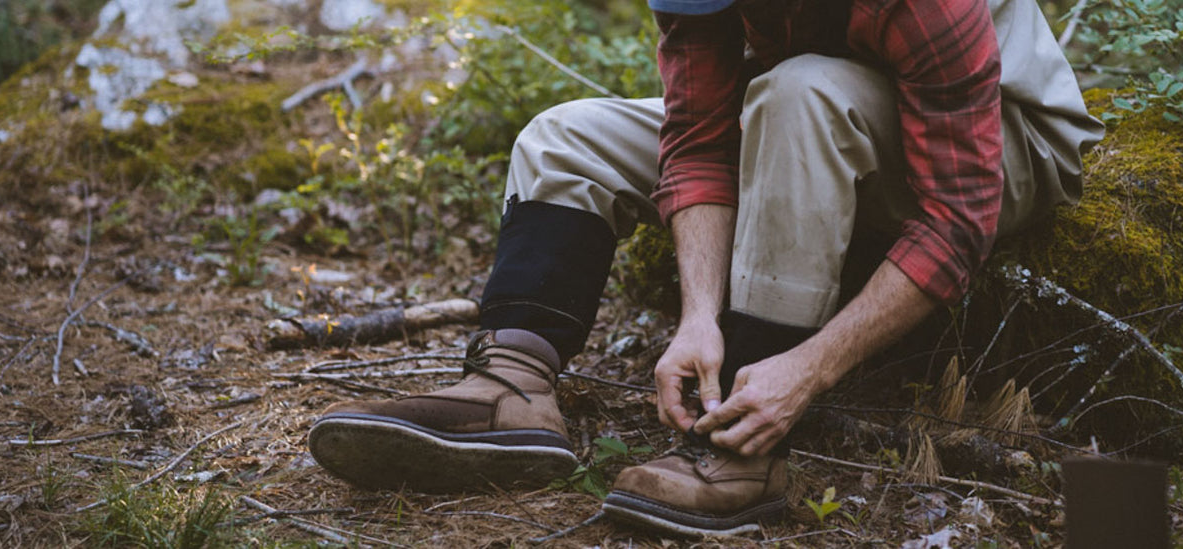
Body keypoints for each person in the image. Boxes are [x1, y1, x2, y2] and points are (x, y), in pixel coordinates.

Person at [306, 0, 1104, 538]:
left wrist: (810, 367)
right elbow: (697, 140)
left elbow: (958, 217)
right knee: (565, 136)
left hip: (1005, 139)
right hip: (821, 114)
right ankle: (513, 386)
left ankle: (745, 445)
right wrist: (697, 315)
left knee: (802, 94)